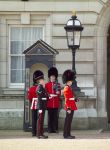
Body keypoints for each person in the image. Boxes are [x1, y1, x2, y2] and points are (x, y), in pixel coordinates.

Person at [62, 69, 79, 139]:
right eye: (70, 81)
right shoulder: (66, 88)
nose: (71, 82)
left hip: (71, 106)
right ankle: (66, 135)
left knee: (69, 121)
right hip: (69, 107)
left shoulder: (69, 88)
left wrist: (75, 99)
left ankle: (68, 134)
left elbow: (70, 97)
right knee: (68, 121)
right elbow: (67, 99)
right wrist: (68, 107)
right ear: (68, 81)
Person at [45, 67, 61, 133]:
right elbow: (45, 93)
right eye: (51, 77)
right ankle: (50, 129)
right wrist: (49, 95)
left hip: (56, 103)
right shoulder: (47, 85)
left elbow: (59, 94)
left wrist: (58, 93)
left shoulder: (58, 84)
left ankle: (55, 129)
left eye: (54, 77)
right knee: (50, 117)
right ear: (49, 78)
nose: (52, 78)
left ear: (55, 78)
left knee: (55, 117)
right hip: (49, 103)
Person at [36, 70, 48, 139]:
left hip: (43, 106)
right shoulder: (39, 87)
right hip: (41, 106)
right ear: (40, 81)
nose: (44, 81)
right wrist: (40, 108)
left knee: (41, 120)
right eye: (43, 80)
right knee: (40, 121)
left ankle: (41, 133)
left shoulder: (42, 87)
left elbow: (45, 96)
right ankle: (39, 134)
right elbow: (40, 98)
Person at [28, 71, 39, 137]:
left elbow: (29, 98)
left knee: (34, 119)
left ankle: (33, 132)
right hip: (39, 105)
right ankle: (38, 131)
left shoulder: (31, 88)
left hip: (33, 105)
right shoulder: (40, 88)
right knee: (39, 119)